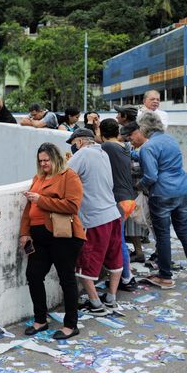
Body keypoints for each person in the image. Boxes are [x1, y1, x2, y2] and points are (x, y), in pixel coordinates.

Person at [20, 143, 85, 340]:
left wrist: (41, 200)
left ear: (56, 159)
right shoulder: (38, 178)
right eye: (41, 161)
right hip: (40, 238)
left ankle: (70, 325)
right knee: (33, 275)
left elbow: (72, 206)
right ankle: (40, 320)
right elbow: (27, 209)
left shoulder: (69, 176)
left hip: (63, 237)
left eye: (47, 160)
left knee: (66, 279)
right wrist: (24, 232)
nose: (44, 164)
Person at [136, 112, 187, 287]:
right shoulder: (171, 140)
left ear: (144, 128)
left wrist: (139, 185)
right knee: (183, 230)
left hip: (162, 192)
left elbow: (150, 176)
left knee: (163, 235)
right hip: (182, 189)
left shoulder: (148, 147)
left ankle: (165, 276)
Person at [67, 128, 124, 315]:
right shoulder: (103, 153)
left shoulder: (82, 154)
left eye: (73, 143)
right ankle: (111, 298)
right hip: (113, 214)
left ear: (80, 141)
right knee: (114, 258)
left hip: (94, 218)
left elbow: (64, 177)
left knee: (85, 263)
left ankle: (95, 304)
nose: (73, 147)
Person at [99, 119, 138, 292]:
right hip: (128, 198)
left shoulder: (108, 148)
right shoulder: (124, 147)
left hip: (120, 200)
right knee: (118, 239)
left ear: (102, 133)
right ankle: (124, 274)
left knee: (118, 241)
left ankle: (127, 277)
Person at [120, 121, 150, 263]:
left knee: (144, 222)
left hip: (142, 191)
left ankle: (151, 253)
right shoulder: (131, 147)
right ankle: (139, 252)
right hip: (135, 191)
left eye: (130, 137)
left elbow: (146, 171)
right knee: (134, 223)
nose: (129, 140)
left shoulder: (146, 148)